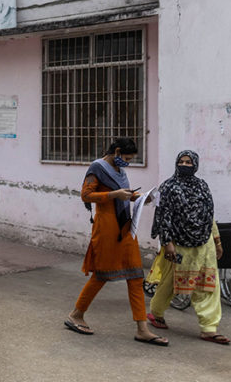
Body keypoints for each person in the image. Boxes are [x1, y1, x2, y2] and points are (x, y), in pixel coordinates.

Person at [64, 138, 168, 346]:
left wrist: (140, 198)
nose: (128, 162)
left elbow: (124, 195)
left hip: (125, 228)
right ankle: (76, 314)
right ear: (117, 151)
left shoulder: (120, 172)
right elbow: (86, 195)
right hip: (106, 228)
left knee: (135, 275)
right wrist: (114, 194)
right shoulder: (97, 167)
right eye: (126, 158)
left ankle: (142, 329)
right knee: (102, 275)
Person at [147, 150, 231, 345]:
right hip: (179, 245)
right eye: (182, 162)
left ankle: (209, 328)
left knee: (208, 285)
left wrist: (217, 241)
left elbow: (209, 214)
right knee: (170, 282)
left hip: (205, 244)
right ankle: (156, 313)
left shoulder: (202, 186)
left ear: (196, 165)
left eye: (189, 162)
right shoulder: (168, 187)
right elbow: (164, 216)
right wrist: (167, 243)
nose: (185, 165)